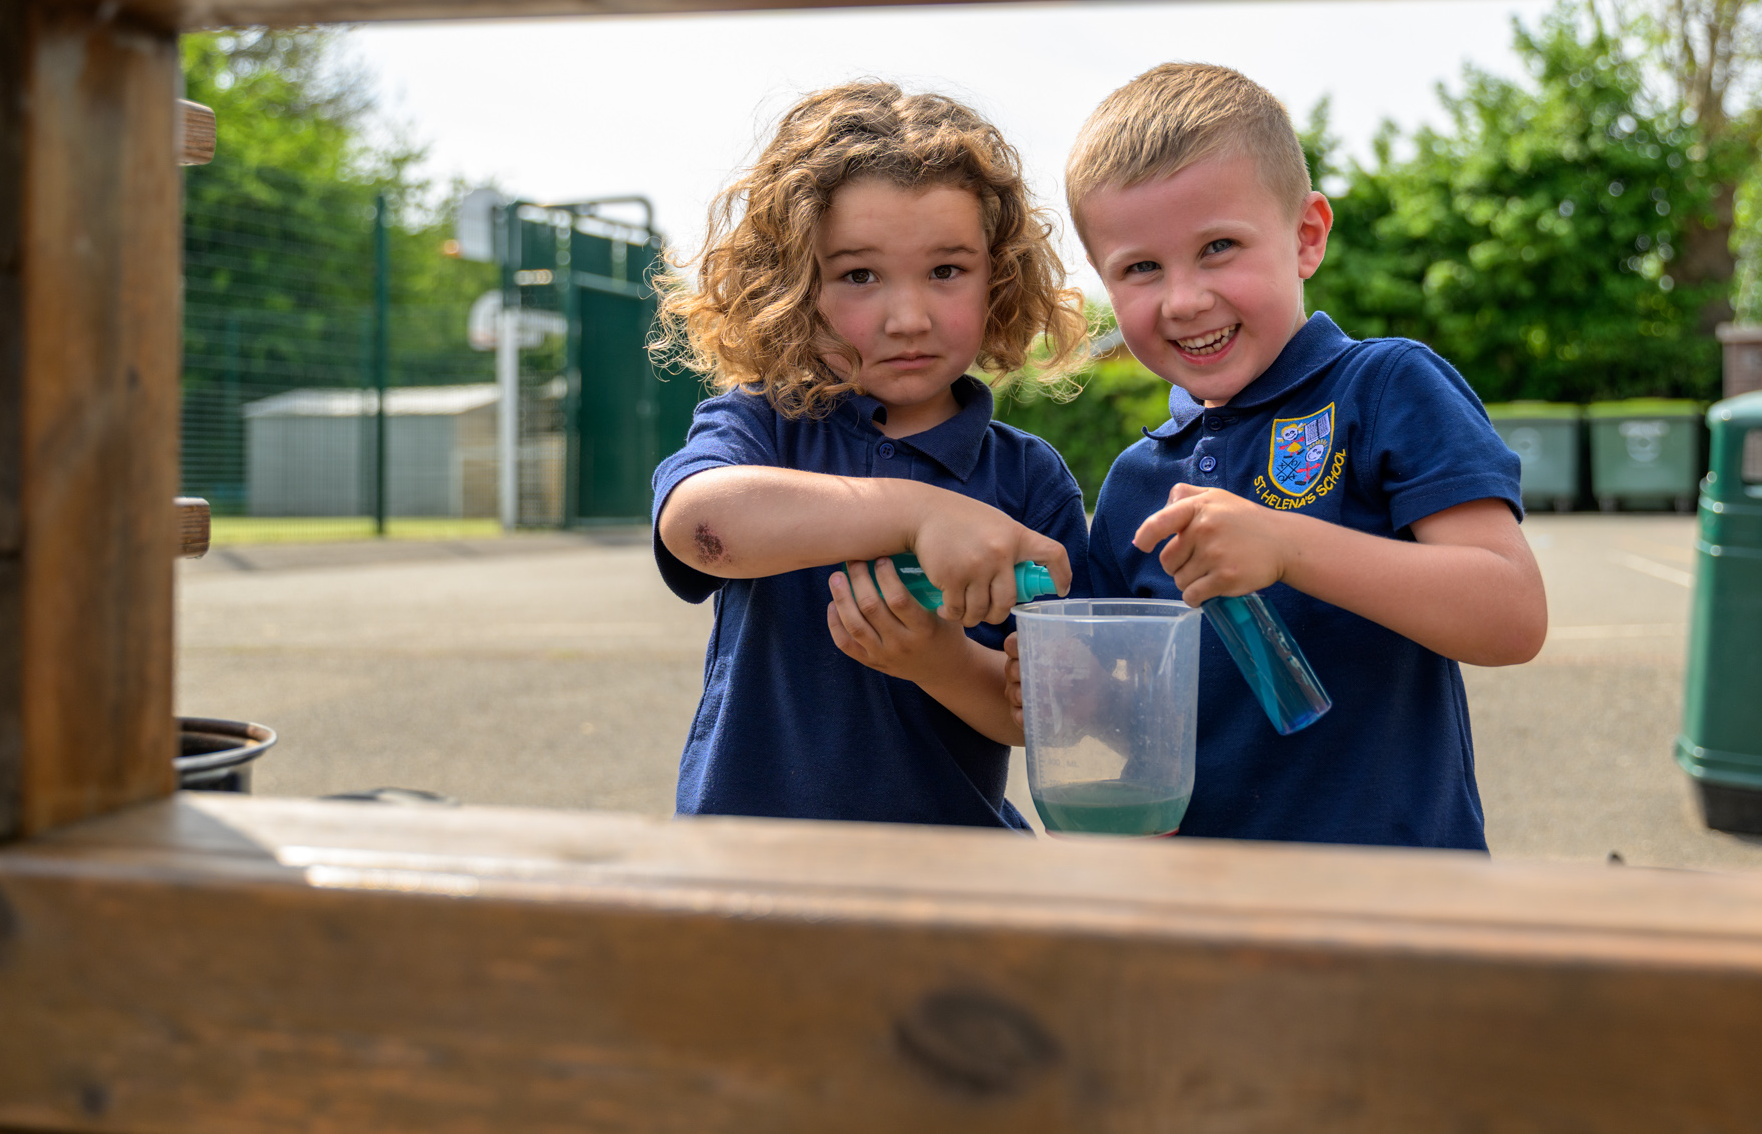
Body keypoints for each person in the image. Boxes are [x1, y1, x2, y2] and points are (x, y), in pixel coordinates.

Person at [1010, 62, 1547, 848]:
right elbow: (1133, 720)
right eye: (1142, 267)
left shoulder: (1385, 388)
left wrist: (1287, 547)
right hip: (1200, 900)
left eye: (1219, 247)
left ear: (1306, 236)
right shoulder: (1134, 485)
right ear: (1104, 281)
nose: (1185, 299)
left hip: (1393, 895)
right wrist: (1073, 686)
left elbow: (1512, 614)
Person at [650, 81, 1091, 829]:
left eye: (946, 270)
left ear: (998, 277)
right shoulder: (765, 425)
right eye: (859, 275)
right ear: (794, 286)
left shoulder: (1030, 480)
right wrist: (920, 514)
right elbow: (697, 526)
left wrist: (942, 662)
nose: (909, 318)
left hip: (949, 870)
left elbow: (1055, 717)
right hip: (750, 867)